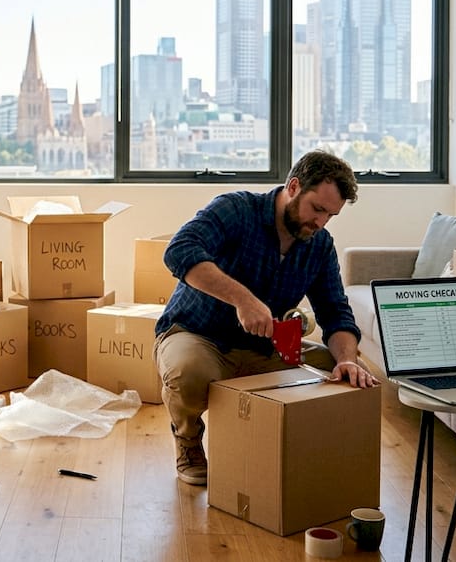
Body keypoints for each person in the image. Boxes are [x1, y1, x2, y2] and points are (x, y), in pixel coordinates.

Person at [153, 150, 378, 486]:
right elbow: (179, 251)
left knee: (345, 370)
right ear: (293, 186)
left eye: (330, 215)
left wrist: (347, 359)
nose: (320, 223)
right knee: (189, 371)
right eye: (317, 208)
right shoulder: (236, 210)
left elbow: (335, 311)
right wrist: (242, 299)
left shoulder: (319, 245)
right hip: (198, 334)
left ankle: (302, 451)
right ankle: (188, 441)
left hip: (265, 349)